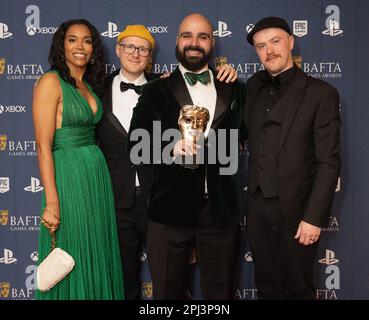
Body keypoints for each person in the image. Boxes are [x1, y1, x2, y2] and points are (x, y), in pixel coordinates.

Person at [96, 24, 238, 300]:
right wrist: (170, 148)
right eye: (186, 35)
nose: (135, 54)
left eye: (142, 49)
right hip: (149, 203)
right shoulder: (148, 89)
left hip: (213, 208)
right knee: (152, 286)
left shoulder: (232, 87)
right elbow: (135, 144)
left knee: (220, 291)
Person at [243, 17, 341, 299]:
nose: (269, 50)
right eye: (261, 46)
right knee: (265, 285)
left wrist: (314, 218)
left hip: (298, 213)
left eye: (275, 42)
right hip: (258, 208)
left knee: (298, 288)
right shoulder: (252, 88)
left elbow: (329, 161)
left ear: (291, 42)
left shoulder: (322, 93)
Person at [33, 19, 124, 300]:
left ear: (93, 48)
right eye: (72, 39)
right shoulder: (51, 81)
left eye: (86, 41)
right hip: (68, 176)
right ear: (62, 45)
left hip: (94, 177)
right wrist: (52, 201)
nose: (80, 46)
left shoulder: (88, 84)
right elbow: (42, 145)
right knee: (71, 250)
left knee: (95, 249)